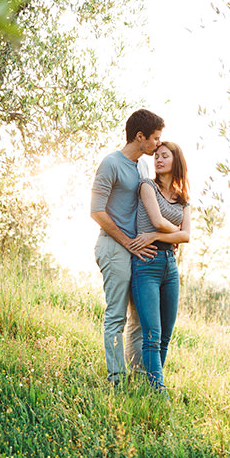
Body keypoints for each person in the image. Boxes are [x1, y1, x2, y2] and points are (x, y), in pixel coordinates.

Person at [91, 109, 164, 384]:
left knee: (138, 318)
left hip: (138, 250)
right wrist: (127, 243)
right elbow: (96, 211)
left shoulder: (143, 166)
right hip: (113, 247)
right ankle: (116, 379)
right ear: (140, 136)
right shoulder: (111, 163)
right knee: (116, 315)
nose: (158, 144)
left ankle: (136, 375)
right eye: (155, 138)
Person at [126, 141, 192, 392]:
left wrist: (155, 236)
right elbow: (157, 220)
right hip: (146, 265)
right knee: (151, 334)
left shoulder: (183, 199)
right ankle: (158, 391)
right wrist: (175, 232)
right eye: (156, 156)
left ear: (176, 160)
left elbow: (186, 238)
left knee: (165, 335)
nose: (158, 160)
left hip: (169, 267)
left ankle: (150, 386)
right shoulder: (147, 186)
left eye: (165, 156)